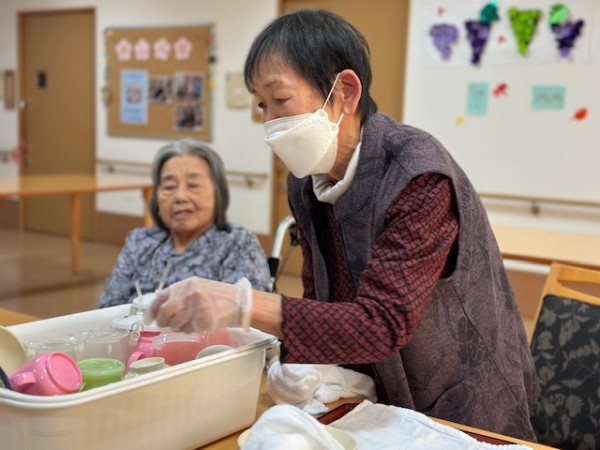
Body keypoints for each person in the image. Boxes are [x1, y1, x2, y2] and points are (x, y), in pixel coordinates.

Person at [147, 9, 539, 440]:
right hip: (372, 393)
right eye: (261, 104)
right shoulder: (305, 183)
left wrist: (244, 304)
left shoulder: (417, 175)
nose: (270, 121)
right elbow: (319, 293)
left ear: (346, 93)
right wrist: (310, 364)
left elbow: (382, 323)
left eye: (280, 99)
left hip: (459, 398)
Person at [98, 139, 271, 308]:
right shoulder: (139, 241)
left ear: (217, 192)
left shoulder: (238, 244)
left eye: (193, 185)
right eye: (169, 187)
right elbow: (108, 307)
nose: (180, 197)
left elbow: (245, 314)